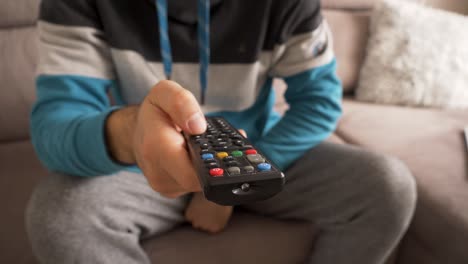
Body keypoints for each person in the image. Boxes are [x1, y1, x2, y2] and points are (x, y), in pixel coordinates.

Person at [26, 0, 417, 263]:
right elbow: (55, 126)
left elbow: (320, 102)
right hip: (140, 170)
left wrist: (234, 185)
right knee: (59, 215)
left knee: (387, 185)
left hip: (254, 155)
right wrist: (132, 135)